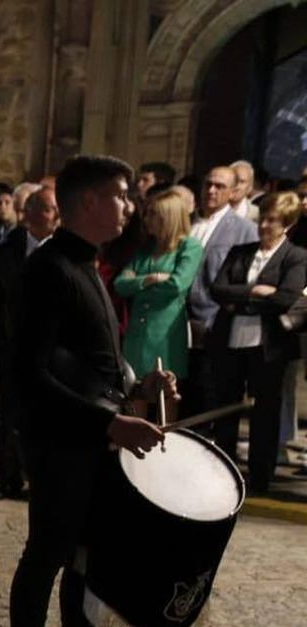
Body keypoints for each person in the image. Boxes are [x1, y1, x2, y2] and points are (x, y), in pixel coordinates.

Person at [2, 156, 180, 627]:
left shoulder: (89, 267)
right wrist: (106, 423)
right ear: (88, 204)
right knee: (46, 557)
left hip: (94, 438)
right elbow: (30, 373)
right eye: (121, 196)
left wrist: (139, 385)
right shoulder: (48, 271)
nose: (130, 206)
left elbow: (93, 363)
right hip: (60, 441)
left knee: (87, 559)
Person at [208, 191, 307, 494]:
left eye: (273, 221)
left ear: (287, 225)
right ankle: (220, 471)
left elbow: (286, 298)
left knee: (265, 413)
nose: (264, 226)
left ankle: (260, 478)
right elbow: (219, 289)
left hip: (268, 347)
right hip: (231, 341)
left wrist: (243, 299)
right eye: (262, 219)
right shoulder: (241, 251)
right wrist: (256, 292)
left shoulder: (296, 256)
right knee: (226, 409)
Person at [0, 186, 60, 500]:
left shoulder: (65, 251)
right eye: (48, 208)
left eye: (57, 209)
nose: (56, 216)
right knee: (10, 415)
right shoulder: (7, 251)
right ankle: (8, 477)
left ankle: (43, 480)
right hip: (13, 347)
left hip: (53, 352)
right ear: (29, 213)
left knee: (47, 419)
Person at [186, 166, 259, 416]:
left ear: (232, 192)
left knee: (211, 389)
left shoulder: (244, 229)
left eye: (219, 186)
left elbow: (245, 276)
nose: (211, 190)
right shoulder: (188, 222)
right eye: (208, 184)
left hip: (216, 320)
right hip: (181, 319)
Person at [114, 187, 203, 381]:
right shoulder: (145, 249)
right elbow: (120, 284)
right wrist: (150, 279)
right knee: (135, 391)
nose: (146, 219)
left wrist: (136, 283)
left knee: (165, 393)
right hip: (136, 333)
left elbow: (177, 285)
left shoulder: (189, 247)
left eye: (153, 214)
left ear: (168, 217)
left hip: (164, 334)